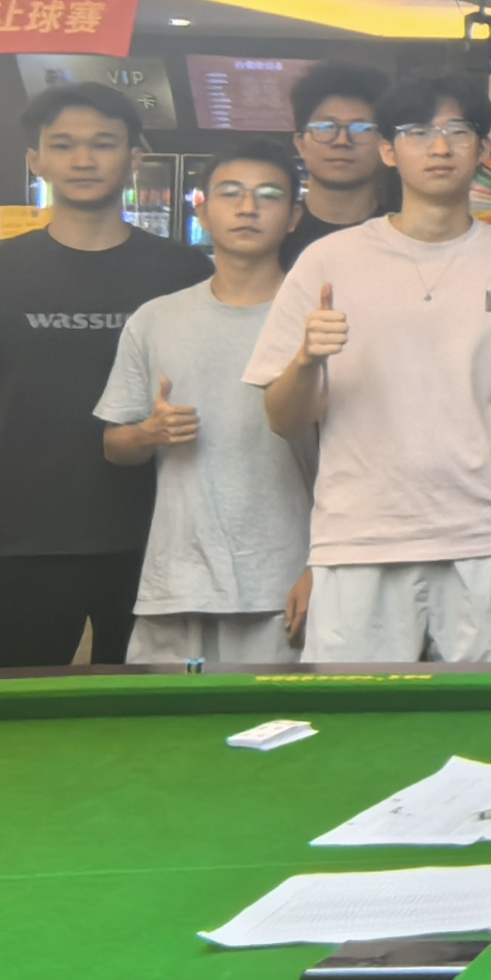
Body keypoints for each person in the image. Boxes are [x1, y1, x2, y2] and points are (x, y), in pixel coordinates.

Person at [247, 74, 491, 664]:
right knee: (354, 714)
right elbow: (282, 419)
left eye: (457, 132)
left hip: (485, 540)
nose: (439, 148)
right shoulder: (328, 259)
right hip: (359, 537)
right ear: (388, 151)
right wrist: (307, 360)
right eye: (418, 133)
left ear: (482, 148)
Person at [0, 83, 213, 668]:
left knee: (153, 707)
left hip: (157, 530)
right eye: (63, 145)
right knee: (0, 705)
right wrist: (40, 448)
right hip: (21, 530)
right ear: (36, 160)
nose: (83, 159)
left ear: (134, 158)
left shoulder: (184, 272)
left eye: (103, 144)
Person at [99, 138, 314, 665]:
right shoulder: (156, 319)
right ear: (202, 209)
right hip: (177, 581)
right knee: (168, 719)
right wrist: (148, 433)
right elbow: (114, 445)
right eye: (230, 193)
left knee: (281, 718)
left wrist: (321, 568)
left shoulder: (317, 322)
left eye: (268, 195)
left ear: (294, 216)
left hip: (287, 583)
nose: (248, 208)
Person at [279, 58, 396, 263]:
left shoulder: (402, 237)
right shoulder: (274, 236)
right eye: (325, 127)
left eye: (361, 129)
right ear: (300, 144)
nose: (342, 141)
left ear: (386, 146)